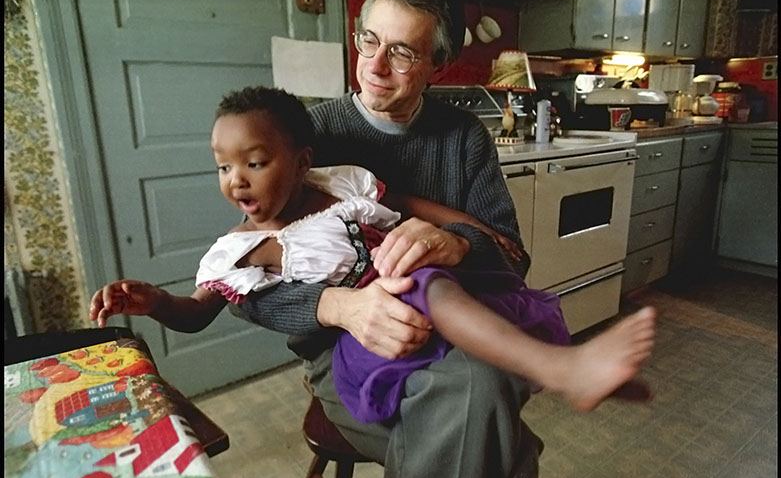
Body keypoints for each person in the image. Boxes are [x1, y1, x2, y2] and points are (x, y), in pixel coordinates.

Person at [90, 85, 655, 425]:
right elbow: (197, 311)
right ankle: (563, 370)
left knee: (441, 289)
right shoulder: (235, 253)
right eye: (223, 166)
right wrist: (155, 300)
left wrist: (469, 228)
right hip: (368, 336)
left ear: (301, 160)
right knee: (428, 293)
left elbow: (410, 202)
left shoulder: (338, 184)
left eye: (255, 163)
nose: (236, 181)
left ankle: (554, 379)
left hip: (430, 282)